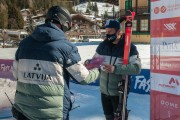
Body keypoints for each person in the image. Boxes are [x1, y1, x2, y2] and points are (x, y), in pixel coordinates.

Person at [12, 6, 100, 120]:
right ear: (65, 23)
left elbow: (16, 74)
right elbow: (84, 78)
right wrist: (97, 69)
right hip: (51, 114)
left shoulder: (24, 44)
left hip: (23, 111)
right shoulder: (65, 47)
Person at [85, 19, 141, 120]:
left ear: (119, 32)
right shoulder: (103, 46)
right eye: (106, 32)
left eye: (110, 31)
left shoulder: (129, 47)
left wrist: (115, 69)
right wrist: (89, 63)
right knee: (108, 117)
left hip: (118, 93)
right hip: (104, 92)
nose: (107, 34)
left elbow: (136, 68)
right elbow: (96, 62)